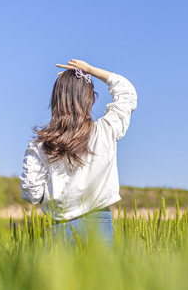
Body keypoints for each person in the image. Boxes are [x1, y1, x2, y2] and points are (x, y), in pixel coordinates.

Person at [19, 59, 137, 248]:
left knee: (63, 278)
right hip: (99, 222)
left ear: (56, 100)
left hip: (60, 224)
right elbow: (127, 92)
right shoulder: (106, 130)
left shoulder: (40, 144)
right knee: (101, 278)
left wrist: (51, 198)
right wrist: (90, 70)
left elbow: (31, 192)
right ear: (89, 99)